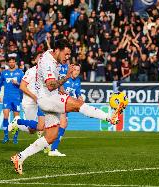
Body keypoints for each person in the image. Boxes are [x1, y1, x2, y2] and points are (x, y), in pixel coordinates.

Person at [11, 39, 122, 174]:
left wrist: (62, 86)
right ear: (58, 50)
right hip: (48, 98)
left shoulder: (51, 55)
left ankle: (20, 157)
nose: (68, 57)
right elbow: (51, 86)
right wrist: (68, 76)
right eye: (67, 54)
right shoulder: (48, 63)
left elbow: (53, 80)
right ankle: (110, 117)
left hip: (46, 99)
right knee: (78, 104)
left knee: (51, 137)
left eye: (69, 54)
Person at [48, 63, 82, 157]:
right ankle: (53, 149)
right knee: (63, 124)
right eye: (75, 70)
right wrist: (61, 90)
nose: (76, 72)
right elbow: (55, 86)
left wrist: (80, 97)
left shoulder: (78, 81)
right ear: (71, 70)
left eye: (78, 70)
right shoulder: (65, 78)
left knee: (52, 125)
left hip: (66, 105)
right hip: (58, 103)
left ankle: (50, 145)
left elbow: (78, 92)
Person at [9, 52, 45, 136]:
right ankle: (17, 122)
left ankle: (46, 145)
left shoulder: (45, 72)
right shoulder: (31, 71)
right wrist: (34, 97)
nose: (42, 59)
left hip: (40, 102)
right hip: (30, 102)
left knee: (42, 125)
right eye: (39, 57)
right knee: (32, 130)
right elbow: (22, 86)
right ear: (35, 60)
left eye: (43, 57)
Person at [0, 55, 24, 144]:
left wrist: (18, 83)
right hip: (6, 98)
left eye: (13, 61)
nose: (11, 63)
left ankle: (15, 137)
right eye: (10, 62)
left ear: (15, 63)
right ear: (8, 63)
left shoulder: (20, 72)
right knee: (5, 117)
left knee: (16, 119)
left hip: (16, 98)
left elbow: (24, 86)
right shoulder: (4, 73)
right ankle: (6, 136)